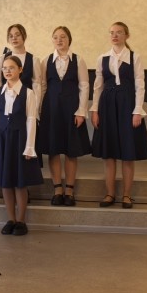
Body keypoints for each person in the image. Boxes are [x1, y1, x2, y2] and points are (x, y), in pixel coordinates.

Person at [91, 22, 147, 209]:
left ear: (127, 35)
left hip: (127, 106)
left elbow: (140, 85)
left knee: (127, 153)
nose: (114, 35)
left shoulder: (134, 57)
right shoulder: (102, 58)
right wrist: (95, 110)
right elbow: (97, 87)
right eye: (112, 32)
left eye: (119, 32)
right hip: (107, 107)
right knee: (109, 154)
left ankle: (126, 195)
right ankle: (110, 193)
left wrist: (137, 110)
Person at [0, 55, 43, 236]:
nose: (8, 71)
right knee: (5, 182)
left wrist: (29, 147)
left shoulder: (28, 93)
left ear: (20, 69)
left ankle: (21, 220)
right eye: (5, 68)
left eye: (12, 67)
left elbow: (31, 120)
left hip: (19, 140)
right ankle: (11, 219)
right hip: (2, 140)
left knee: (19, 183)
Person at [38, 26, 92, 206]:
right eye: (55, 37)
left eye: (63, 37)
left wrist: (81, 111)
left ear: (69, 39)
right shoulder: (46, 61)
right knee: (53, 150)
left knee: (71, 150)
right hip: (51, 110)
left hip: (71, 110)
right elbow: (42, 87)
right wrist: (39, 111)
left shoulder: (78, 60)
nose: (59, 40)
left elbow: (84, 86)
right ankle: (57, 189)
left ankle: (69, 190)